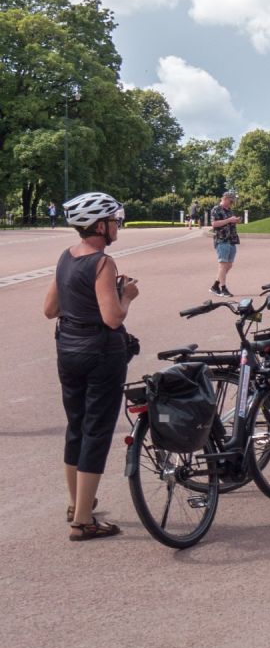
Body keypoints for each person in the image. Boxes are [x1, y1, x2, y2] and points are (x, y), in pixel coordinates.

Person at [44, 192, 136, 541]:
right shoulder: (103, 262)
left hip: (67, 348)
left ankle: (76, 503)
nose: (117, 226)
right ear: (100, 225)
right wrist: (126, 294)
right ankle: (83, 520)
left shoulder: (66, 257)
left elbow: (50, 309)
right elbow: (113, 318)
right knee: (97, 430)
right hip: (100, 352)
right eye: (114, 221)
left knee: (77, 426)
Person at [209, 189, 242, 295]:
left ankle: (215, 286)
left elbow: (230, 222)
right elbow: (214, 224)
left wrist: (235, 220)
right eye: (231, 200)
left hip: (231, 240)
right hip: (222, 239)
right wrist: (229, 220)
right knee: (223, 264)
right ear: (225, 199)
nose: (232, 203)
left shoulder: (229, 210)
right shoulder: (216, 209)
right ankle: (223, 288)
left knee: (229, 264)